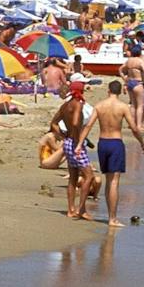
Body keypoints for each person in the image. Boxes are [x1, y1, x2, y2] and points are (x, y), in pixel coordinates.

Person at [93, 80, 144, 228]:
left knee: (108, 180)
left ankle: (110, 216)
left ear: (108, 91)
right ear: (120, 91)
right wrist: (142, 142)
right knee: (114, 182)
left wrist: (79, 144)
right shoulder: (123, 107)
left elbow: (89, 125)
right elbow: (134, 128)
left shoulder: (99, 105)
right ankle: (112, 218)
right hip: (115, 143)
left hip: (102, 142)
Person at [53, 82, 96, 220]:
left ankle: (70, 209)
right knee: (89, 176)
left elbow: (53, 123)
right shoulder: (78, 103)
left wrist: (62, 135)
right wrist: (79, 135)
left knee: (72, 177)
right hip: (76, 143)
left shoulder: (65, 105)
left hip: (68, 142)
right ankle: (81, 209)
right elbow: (77, 122)